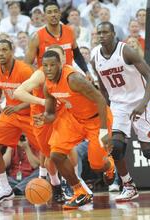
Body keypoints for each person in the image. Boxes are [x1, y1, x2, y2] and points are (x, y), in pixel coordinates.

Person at [91, 21, 150, 202]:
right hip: (118, 105)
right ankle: (128, 185)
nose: (102, 35)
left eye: (105, 32)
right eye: (99, 33)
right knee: (117, 148)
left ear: (114, 33)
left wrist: (143, 104)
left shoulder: (126, 51)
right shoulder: (95, 58)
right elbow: (104, 90)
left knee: (148, 151)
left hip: (140, 102)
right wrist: (105, 113)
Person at [14, 45, 90, 202]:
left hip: (62, 116)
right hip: (42, 117)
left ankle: (73, 182)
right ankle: (55, 185)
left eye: (57, 57)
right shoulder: (40, 74)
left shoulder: (71, 73)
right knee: (51, 157)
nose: (52, 63)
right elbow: (17, 92)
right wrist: (43, 101)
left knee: (68, 150)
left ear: (63, 58)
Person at [42, 50, 115, 209]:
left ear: (60, 65)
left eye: (52, 65)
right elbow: (50, 112)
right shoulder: (47, 85)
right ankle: (80, 192)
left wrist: (104, 131)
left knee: (96, 165)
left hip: (97, 119)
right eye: (45, 66)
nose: (48, 69)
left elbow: (101, 100)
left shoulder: (74, 79)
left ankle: (109, 166)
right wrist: (45, 118)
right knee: (56, 154)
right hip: (74, 119)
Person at [0, 39, 40, 204]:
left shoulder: (25, 70)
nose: (1, 53)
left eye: (4, 50)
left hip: (31, 113)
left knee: (48, 151)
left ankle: (58, 183)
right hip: (10, 114)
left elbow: (38, 96)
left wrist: (19, 106)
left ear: (12, 51)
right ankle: (5, 188)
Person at [25, 1, 92, 80]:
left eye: (56, 11)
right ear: (44, 16)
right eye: (49, 12)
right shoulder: (36, 37)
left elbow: (77, 54)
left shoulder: (69, 31)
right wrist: (40, 75)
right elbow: (27, 64)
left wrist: (86, 71)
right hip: (47, 81)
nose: (53, 15)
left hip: (67, 79)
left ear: (60, 13)